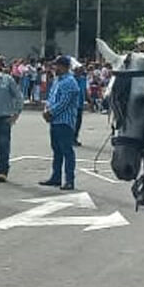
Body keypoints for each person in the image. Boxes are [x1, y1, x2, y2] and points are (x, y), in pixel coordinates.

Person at [39, 56, 80, 190]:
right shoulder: (58, 80)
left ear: (64, 67)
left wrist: (50, 113)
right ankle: (56, 177)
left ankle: (69, 180)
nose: (54, 68)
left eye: (57, 66)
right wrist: (46, 109)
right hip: (55, 121)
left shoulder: (70, 82)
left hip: (65, 121)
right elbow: (51, 97)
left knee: (66, 151)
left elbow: (64, 102)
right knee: (56, 150)